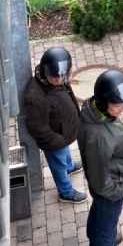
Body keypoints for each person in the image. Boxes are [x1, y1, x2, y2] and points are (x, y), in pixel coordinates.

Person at [78, 69, 123, 246]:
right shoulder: (99, 137)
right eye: (117, 104)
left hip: (102, 186)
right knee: (107, 229)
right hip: (109, 190)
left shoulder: (94, 112)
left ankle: (95, 245)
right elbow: (102, 181)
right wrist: (116, 191)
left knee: (99, 214)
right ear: (103, 103)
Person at [24, 46, 86, 204]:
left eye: (63, 76)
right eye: (55, 77)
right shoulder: (34, 97)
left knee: (65, 156)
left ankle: (69, 166)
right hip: (54, 141)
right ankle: (65, 192)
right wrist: (58, 141)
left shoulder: (56, 76)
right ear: (46, 72)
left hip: (62, 135)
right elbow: (38, 128)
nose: (60, 80)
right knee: (58, 166)